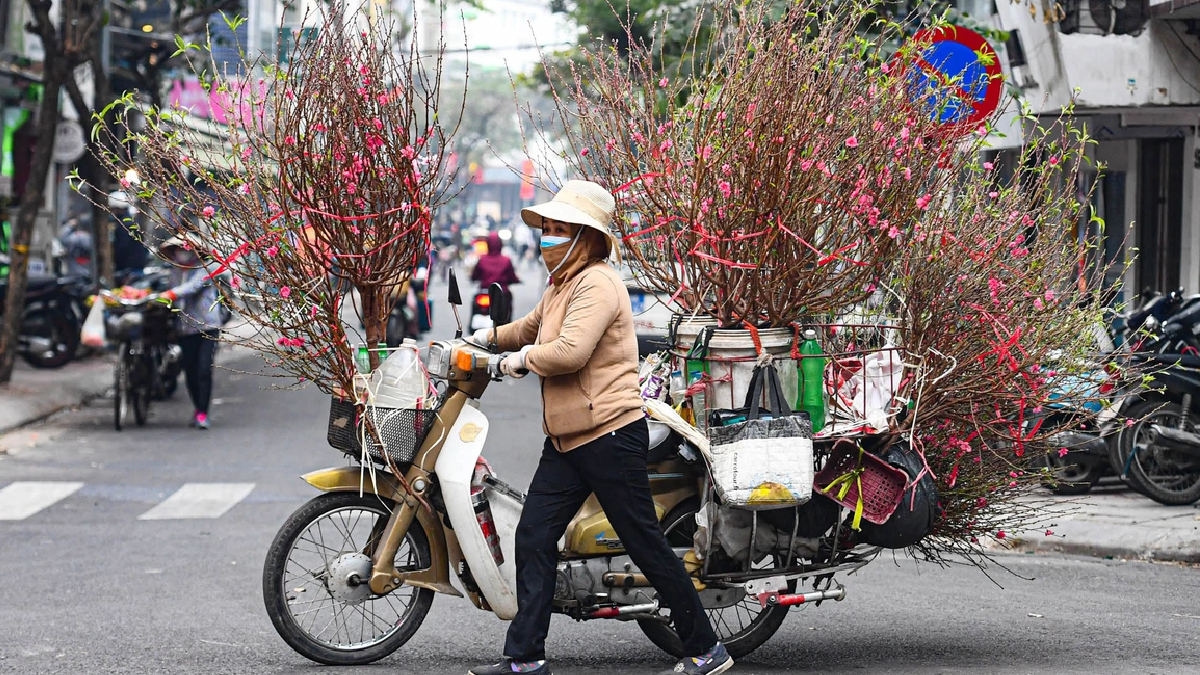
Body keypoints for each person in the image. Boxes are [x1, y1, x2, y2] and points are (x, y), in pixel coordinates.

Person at [468, 181, 730, 675]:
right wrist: (484, 337)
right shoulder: (561, 285)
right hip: (568, 440)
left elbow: (568, 352)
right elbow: (529, 328)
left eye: (557, 230)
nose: (546, 238)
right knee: (534, 537)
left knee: (644, 544)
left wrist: (513, 363)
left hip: (609, 434)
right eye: (545, 229)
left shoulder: (598, 283)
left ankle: (706, 649)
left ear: (586, 238)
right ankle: (525, 659)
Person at [158, 236, 224, 430]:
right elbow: (172, 291)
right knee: (190, 370)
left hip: (207, 326)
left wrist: (169, 295)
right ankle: (197, 408)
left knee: (204, 369)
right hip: (185, 328)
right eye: (179, 249)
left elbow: (192, 287)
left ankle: (203, 412)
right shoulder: (174, 271)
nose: (182, 252)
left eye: (186, 248)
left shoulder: (206, 268)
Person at [470, 231, 520, 324]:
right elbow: (512, 276)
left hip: (484, 292)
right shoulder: (506, 260)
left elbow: (474, 275)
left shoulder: (482, 259)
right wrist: (516, 280)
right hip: (503, 295)